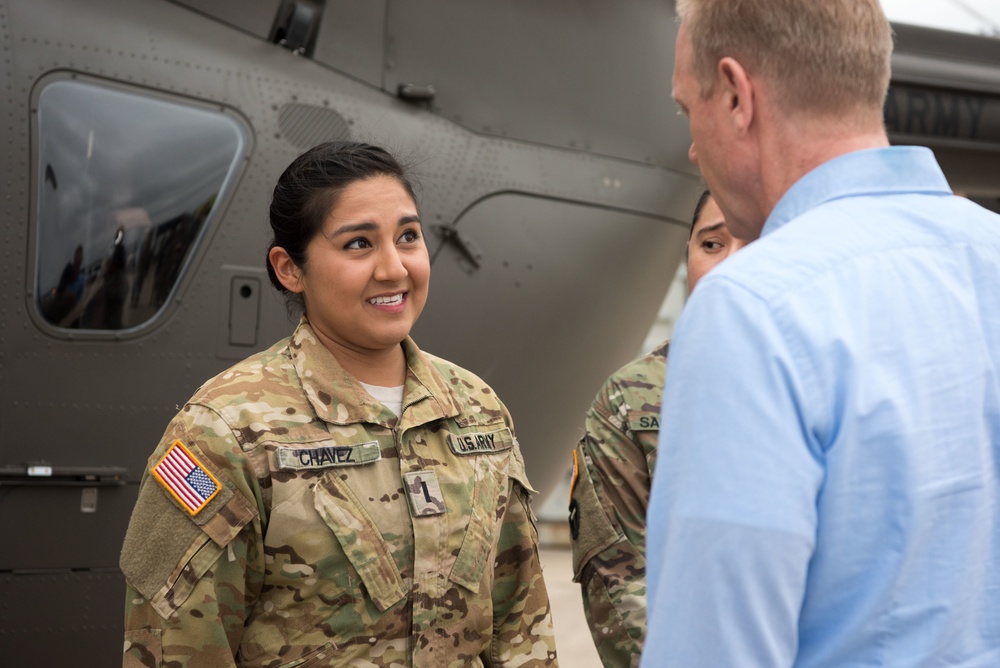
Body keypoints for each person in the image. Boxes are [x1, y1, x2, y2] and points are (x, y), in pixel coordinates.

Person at [642, 1, 1000, 666]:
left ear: (736, 94)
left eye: (688, 107)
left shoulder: (752, 309)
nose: (692, 145)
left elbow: (717, 648)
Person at [120, 141, 558, 667]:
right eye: (358, 245)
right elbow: (178, 650)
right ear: (289, 269)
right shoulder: (224, 431)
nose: (394, 269)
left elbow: (519, 626)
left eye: (409, 237)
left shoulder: (477, 409)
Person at [568, 190, 746, 667]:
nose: (730, 263)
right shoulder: (631, 396)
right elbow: (617, 576)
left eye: (755, 242)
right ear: (686, 255)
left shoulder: (835, 376)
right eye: (711, 245)